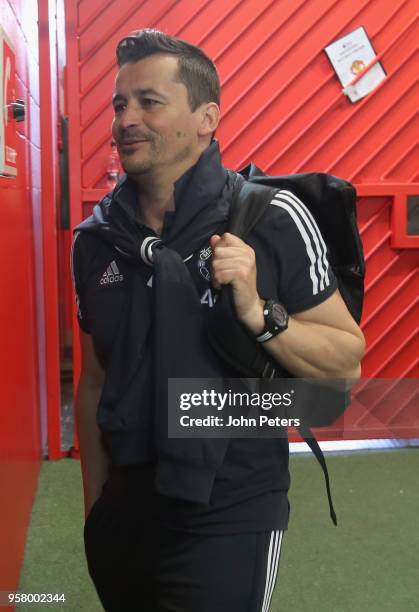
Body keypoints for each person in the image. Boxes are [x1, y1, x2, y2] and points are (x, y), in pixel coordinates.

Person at [71, 28, 365, 612]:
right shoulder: (97, 241)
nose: (127, 118)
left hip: (230, 510)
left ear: (207, 118)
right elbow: (96, 383)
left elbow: (344, 363)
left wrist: (260, 314)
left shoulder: (272, 217)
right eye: (120, 104)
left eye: (149, 102)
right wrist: (95, 508)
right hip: (125, 514)